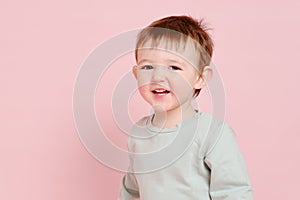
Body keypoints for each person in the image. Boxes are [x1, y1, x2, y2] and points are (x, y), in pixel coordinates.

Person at [118, 15, 253, 200]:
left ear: (200, 78)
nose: (158, 76)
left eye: (174, 67)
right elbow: (131, 191)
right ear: (136, 73)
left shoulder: (212, 134)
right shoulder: (138, 134)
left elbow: (234, 192)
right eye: (148, 67)